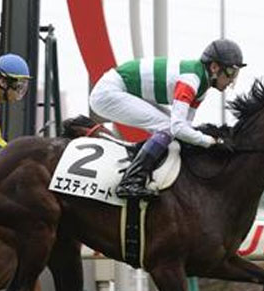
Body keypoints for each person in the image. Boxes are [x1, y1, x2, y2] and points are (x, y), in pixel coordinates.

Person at [89, 39, 245, 198]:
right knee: (167, 126)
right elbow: (178, 128)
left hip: (124, 90)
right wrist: (211, 142)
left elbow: (185, 128)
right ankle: (131, 181)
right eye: (231, 72)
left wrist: (209, 141)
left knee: (169, 128)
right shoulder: (190, 80)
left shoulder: (201, 88)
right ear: (214, 67)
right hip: (108, 93)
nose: (232, 80)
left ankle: (141, 162)